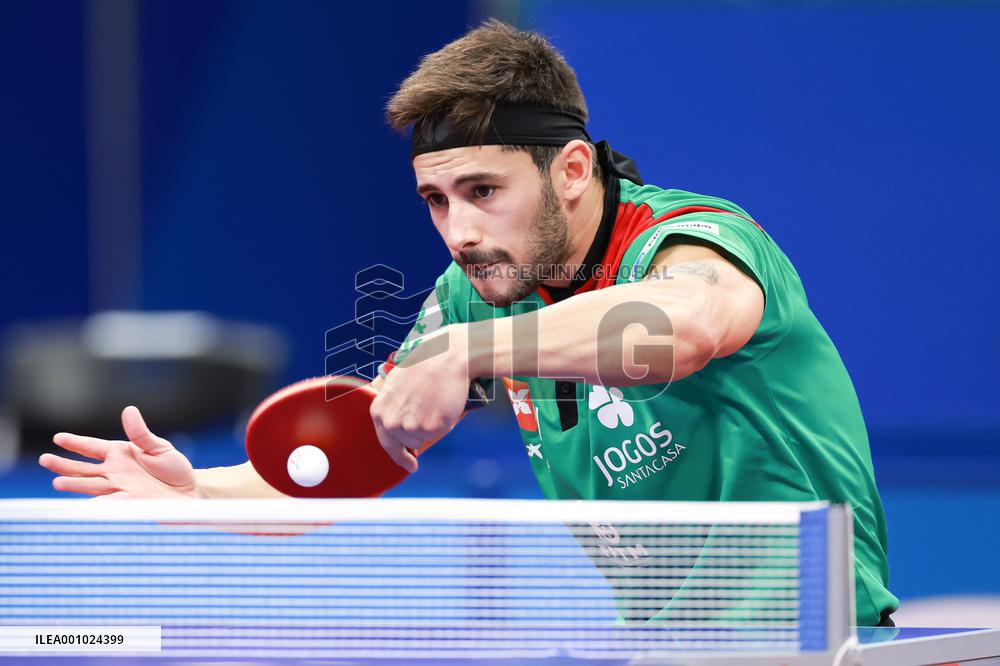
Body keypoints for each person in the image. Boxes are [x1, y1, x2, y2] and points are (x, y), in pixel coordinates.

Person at [39, 20, 897, 626]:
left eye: (484, 191)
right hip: (661, 648)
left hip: (818, 639)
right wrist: (199, 493)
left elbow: (690, 324)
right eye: (436, 200)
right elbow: (356, 459)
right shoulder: (474, 294)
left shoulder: (690, 240)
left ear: (570, 169)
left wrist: (468, 351)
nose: (460, 231)